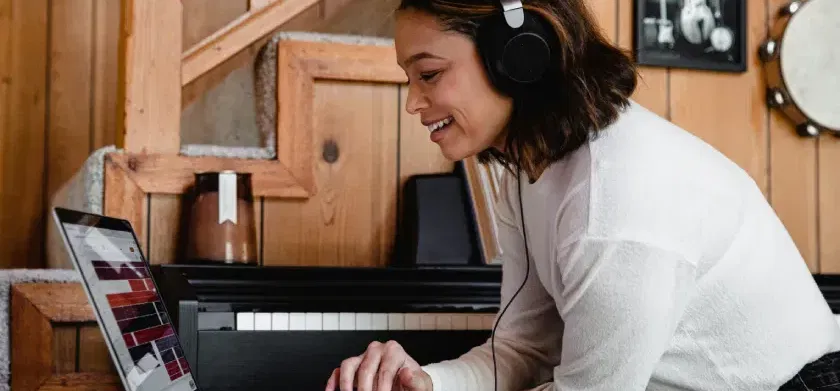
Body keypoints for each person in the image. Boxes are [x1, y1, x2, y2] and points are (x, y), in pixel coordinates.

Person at [324, 0, 840, 390]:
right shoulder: (526, 171)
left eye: (429, 74)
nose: (414, 102)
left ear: (516, 57)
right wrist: (429, 382)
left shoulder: (617, 200)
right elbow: (525, 348)